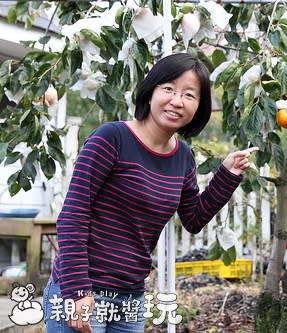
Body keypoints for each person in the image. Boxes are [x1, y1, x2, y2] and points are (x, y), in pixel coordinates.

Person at [43, 52, 258, 333]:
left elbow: (193, 218)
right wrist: (77, 292)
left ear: (199, 106)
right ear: (150, 91)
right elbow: (73, 215)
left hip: (129, 297)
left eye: (189, 95)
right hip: (84, 291)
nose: (177, 101)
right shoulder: (112, 138)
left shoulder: (183, 156)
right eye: (168, 89)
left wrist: (227, 174)